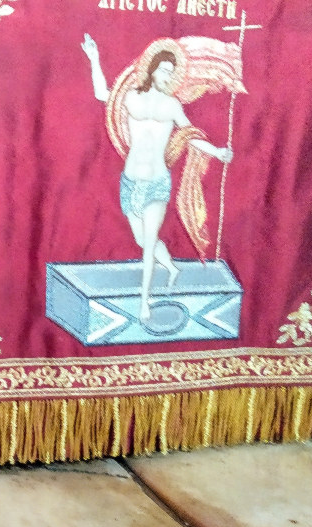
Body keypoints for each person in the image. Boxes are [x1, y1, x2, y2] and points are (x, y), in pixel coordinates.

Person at [81, 34, 233, 322]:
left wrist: (216, 151)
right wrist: (94, 58)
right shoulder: (130, 97)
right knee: (142, 240)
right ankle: (172, 267)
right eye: (163, 69)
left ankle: (144, 303)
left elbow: (189, 135)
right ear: (151, 69)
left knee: (149, 242)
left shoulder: (172, 105)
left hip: (156, 183)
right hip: (130, 182)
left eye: (171, 72)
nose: (167, 75)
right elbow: (102, 93)